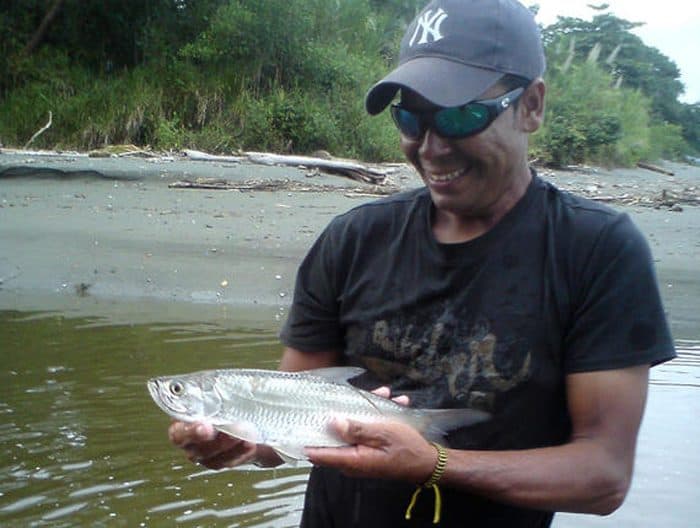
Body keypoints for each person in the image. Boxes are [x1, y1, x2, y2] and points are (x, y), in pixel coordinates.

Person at [168, 0, 676, 525]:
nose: (430, 148)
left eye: (460, 115)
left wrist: (434, 464)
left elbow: (604, 476)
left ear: (532, 106)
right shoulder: (352, 241)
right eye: (410, 117)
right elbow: (286, 424)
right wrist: (244, 443)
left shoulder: (598, 251)